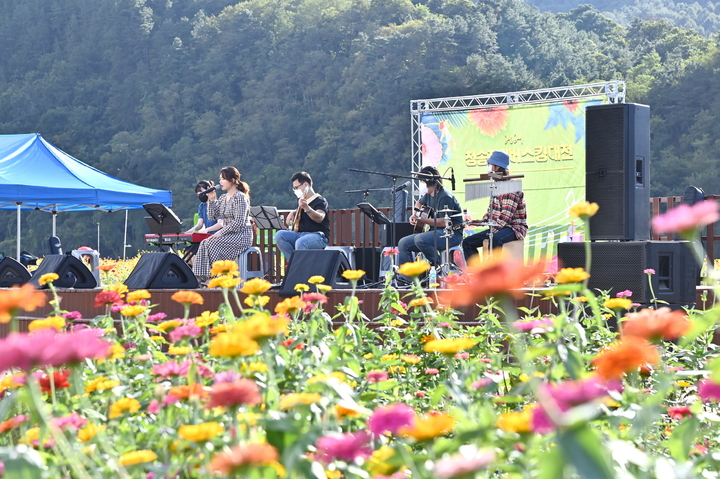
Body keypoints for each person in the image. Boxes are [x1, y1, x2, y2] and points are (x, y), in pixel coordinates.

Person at [462, 150, 527, 262]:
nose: (488, 169)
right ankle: (476, 273)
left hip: (514, 228)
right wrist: (482, 221)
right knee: (467, 242)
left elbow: (506, 217)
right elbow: (492, 212)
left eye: (490, 166)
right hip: (499, 227)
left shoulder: (511, 187)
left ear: (497, 167)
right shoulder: (496, 186)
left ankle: (493, 273)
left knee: (495, 239)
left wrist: (491, 231)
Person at [192, 167, 253, 284]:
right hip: (229, 234)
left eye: (223, 179)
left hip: (241, 235)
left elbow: (239, 222)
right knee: (205, 242)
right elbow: (212, 216)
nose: (220, 182)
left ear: (233, 180)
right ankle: (202, 276)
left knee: (213, 243)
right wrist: (212, 200)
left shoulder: (240, 197)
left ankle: (218, 278)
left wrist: (221, 232)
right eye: (220, 179)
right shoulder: (223, 197)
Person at [398, 165, 464, 269]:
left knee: (420, 239)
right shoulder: (428, 195)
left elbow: (443, 222)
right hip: (435, 233)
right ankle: (410, 278)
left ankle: (438, 265)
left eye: (423, 182)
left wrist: (421, 219)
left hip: (451, 234)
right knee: (403, 243)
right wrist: (414, 214)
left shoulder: (445, 196)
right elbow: (418, 203)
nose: (422, 185)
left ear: (430, 182)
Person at [274, 171, 330, 263]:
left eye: (297, 187)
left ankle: (300, 268)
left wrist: (307, 208)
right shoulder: (302, 201)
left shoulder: (320, 200)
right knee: (280, 235)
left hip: (318, 235)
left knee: (301, 242)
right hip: (301, 234)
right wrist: (294, 212)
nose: (295, 190)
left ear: (305, 184)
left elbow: (320, 217)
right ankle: (294, 263)